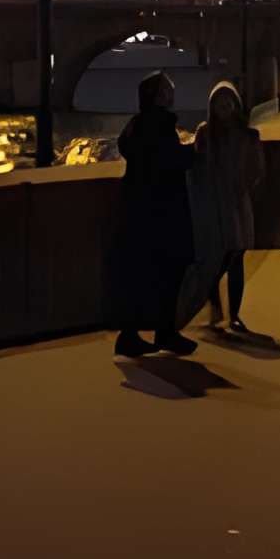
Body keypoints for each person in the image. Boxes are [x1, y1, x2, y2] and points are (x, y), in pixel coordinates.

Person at [109, 73, 200, 355]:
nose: (173, 93)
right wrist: (195, 151)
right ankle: (164, 332)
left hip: (138, 210)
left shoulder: (136, 126)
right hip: (162, 210)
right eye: (169, 89)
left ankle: (130, 334)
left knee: (140, 274)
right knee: (168, 272)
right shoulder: (159, 126)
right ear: (159, 96)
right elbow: (169, 161)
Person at [183, 80, 260, 335]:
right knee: (218, 257)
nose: (224, 108)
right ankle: (215, 304)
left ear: (235, 106)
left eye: (228, 103)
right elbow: (195, 167)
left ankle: (233, 314)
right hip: (214, 205)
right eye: (219, 103)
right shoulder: (205, 134)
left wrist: (244, 184)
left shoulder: (249, 134)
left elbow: (257, 168)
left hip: (238, 204)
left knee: (235, 257)